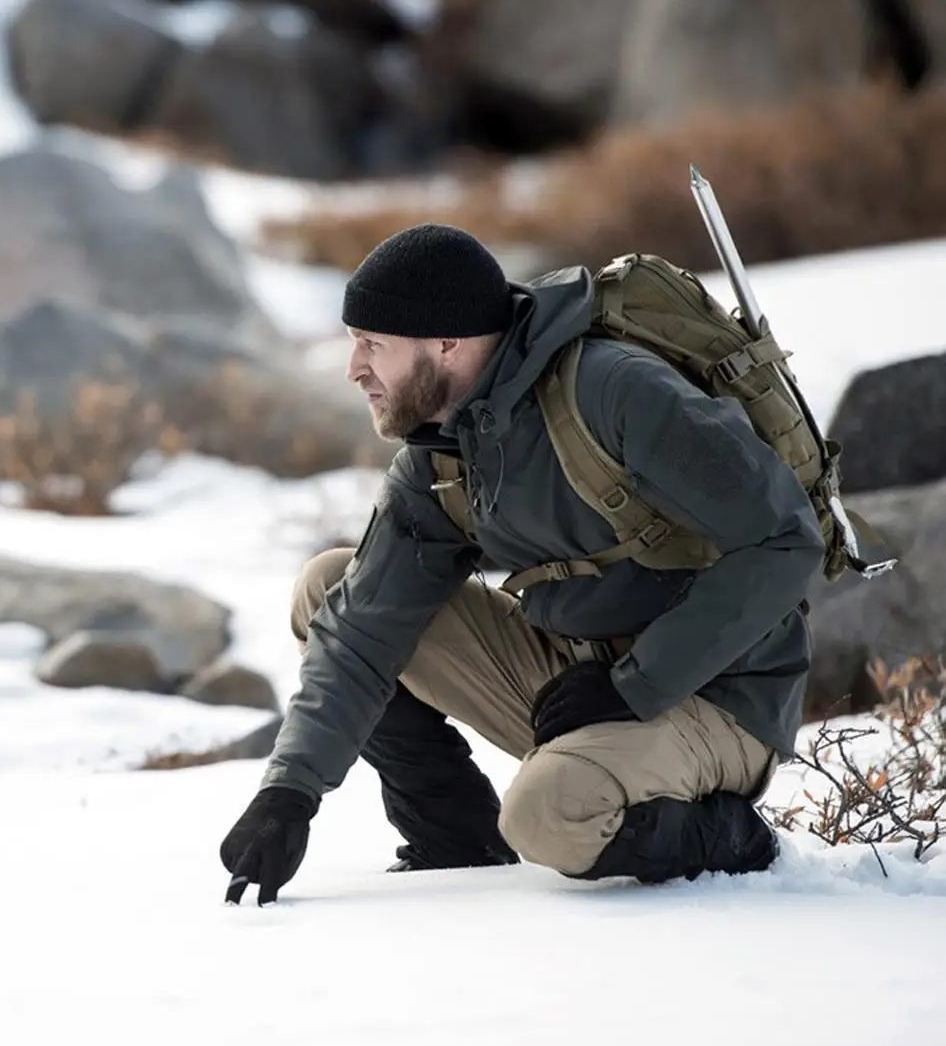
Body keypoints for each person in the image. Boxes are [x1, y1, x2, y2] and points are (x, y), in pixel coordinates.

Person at [220, 224, 825, 905]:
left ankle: (738, 837)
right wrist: (289, 793)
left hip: (716, 696)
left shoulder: (618, 392)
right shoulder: (441, 452)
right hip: (577, 687)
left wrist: (638, 683)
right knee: (329, 588)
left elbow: (785, 541)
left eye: (373, 345)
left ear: (445, 342)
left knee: (549, 816)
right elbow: (361, 630)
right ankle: (453, 839)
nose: (354, 368)